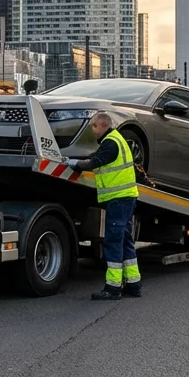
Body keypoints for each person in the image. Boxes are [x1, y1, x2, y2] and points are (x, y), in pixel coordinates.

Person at [64, 111, 141, 300]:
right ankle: (133, 284)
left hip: (119, 199)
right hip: (125, 198)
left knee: (113, 242)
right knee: (125, 241)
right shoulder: (115, 140)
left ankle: (113, 288)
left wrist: (72, 163)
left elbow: (95, 162)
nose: (93, 130)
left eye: (94, 126)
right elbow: (97, 158)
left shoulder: (111, 142)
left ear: (105, 125)